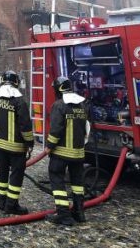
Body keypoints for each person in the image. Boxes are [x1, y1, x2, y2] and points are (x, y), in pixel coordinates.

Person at [46, 76, 89, 226]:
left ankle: (63, 214)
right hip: (78, 153)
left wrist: (49, 146)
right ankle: (79, 212)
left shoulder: (59, 105)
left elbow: (55, 129)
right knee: (77, 182)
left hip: (61, 153)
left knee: (56, 178)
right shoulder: (82, 105)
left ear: (57, 89)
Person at [0, 70, 34, 215]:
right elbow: (25, 126)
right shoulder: (19, 101)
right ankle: (12, 205)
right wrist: (30, 143)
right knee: (16, 176)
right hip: (16, 148)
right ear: (16, 82)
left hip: (0, 145)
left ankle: (2, 202)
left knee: (2, 175)